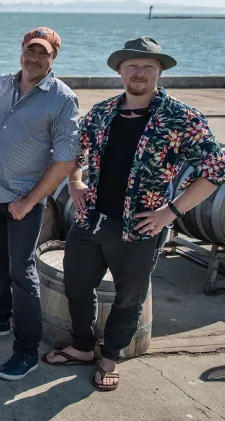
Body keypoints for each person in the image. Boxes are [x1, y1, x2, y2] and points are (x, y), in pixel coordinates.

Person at [43, 37, 225, 391]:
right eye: (132, 66)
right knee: (77, 286)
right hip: (90, 221)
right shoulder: (102, 112)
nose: (139, 72)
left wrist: (171, 212)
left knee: (129, 297)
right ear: (119, 71)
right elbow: (74, 152)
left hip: (141, 227)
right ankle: (82, 346)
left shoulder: (182, 118)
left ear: (159, 71)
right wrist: (76, 181)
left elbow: (215, 171)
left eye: (147, 66)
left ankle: (110, 355)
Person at [0, 28, 80, 380]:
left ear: (53, 57)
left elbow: (65, 158)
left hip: (24, 203)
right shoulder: (0, 84)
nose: (34, 58)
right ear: (21, 51)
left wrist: (31, 200)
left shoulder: (62, 99)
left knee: (22, 272)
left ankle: (26, 350)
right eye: (29, 50)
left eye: (42, 53)